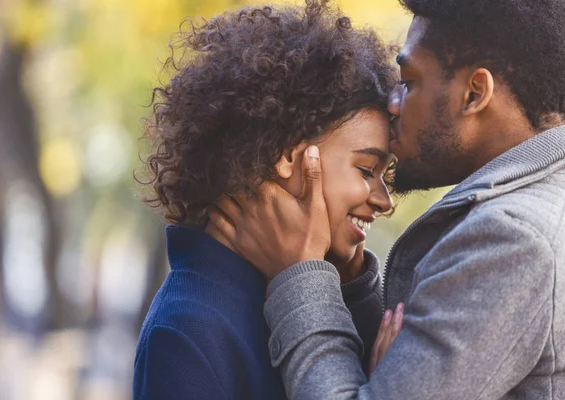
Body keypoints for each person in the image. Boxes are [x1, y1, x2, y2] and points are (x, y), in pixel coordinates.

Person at [211, 0, 565, 398]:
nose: (393, 103)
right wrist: (352, 286)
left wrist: (300, 274)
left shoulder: (512, 239)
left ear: (474, 93)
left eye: (410, 82)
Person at [133, 1, 403, 399]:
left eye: (387, 176)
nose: (385, 201)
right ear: (292, 158)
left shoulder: (307, 292)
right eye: (366, 170)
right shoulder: (188, 328)